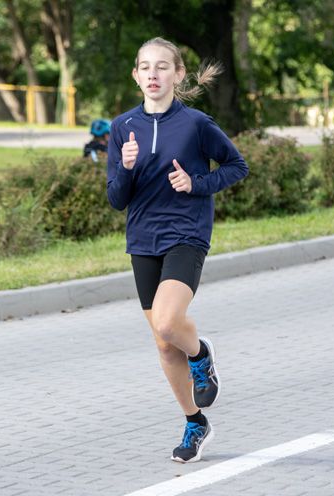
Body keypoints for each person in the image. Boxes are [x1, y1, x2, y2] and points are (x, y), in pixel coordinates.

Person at [107, 37, 249, 464]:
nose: (153, 74)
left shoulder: (196, 124)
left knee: (170, 324)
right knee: (164, 345)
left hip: (186, 234)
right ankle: (194, 421)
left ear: (178, 74)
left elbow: (236, 165)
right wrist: (127, 167)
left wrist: (196, 184)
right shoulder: (122, 128)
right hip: (142, 241)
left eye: (162, 67)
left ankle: (201, 354)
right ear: (136, 76)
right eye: (145, 67)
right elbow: (116, 198)